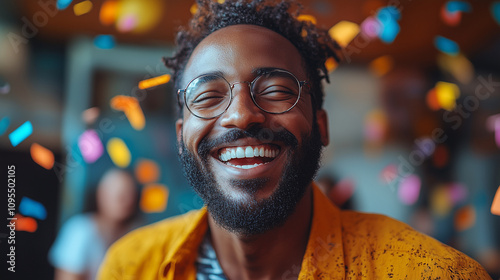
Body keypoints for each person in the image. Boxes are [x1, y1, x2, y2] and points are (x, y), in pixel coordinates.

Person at [98, 0, 491, 279]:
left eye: (275, 90)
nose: (240, 114)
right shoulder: (129, 267)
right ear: (183, 136)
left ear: (320, 125)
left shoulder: (433, 274)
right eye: (208, 96)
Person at [49, 169, 139, 280]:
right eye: (117, 193)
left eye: (128, 193)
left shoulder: (135, 235)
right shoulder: (79, 231)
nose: (123, 199)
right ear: (101, 195)